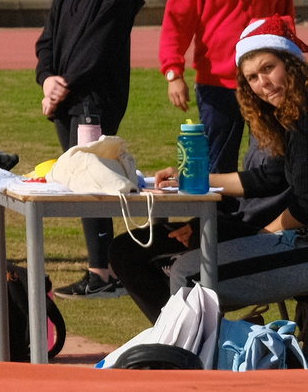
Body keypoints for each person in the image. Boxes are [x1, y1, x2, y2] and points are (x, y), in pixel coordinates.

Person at [111, 20, 308, 321]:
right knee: (129, 251)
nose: (263, 83)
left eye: (268, 68)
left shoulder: (304, 116)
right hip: (291, 234)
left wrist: (258, 236)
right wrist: (189, 179)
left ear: (291, 63)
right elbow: (271, 177)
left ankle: (194, 360)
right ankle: (193, 350)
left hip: (300, 242)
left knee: (189, 275)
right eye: (253, 77)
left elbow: (305, 208)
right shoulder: (292, 117)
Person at [37, 0, 143, 298]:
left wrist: (62, 88)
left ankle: (103, 271)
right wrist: (47, 78)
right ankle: (103, 267)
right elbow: (47, 41)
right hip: (66, 100)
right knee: (79, 180)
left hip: (95, 100)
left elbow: (96, 50)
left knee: (92, 180)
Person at [161, 0, 293, 172]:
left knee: (271, 160)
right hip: (217, 85)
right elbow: (177, 23)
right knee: (216, 165)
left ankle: (260, 216)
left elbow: (285, 24)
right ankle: (213, 217)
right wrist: (174, 73)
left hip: (265, 82)